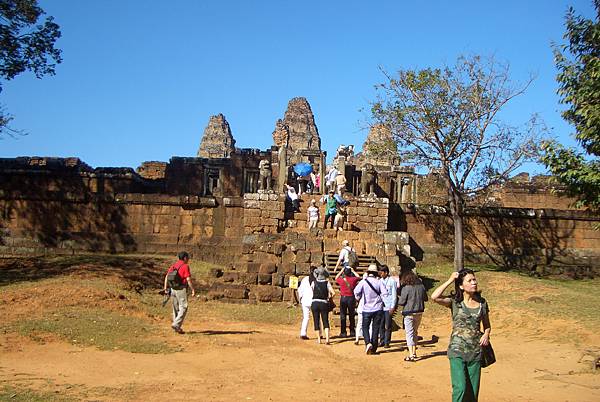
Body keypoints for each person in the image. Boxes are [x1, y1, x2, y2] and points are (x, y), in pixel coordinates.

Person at [431, 269, 492, 402]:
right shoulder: (455, 302)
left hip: (475, 351)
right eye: (469, 281)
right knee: (460, 388)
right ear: (461, 286)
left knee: (472, 394)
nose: (474, 283)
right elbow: (434, 297)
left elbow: (487, 325)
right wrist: (450, 279)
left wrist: (486, 334)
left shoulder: (482, 303)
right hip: (457, 351)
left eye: (474, 279)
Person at [353, 264, 388, 354]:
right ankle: (374, 348)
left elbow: (356, 291)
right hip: (378, 308)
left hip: (367, 308)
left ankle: (368, 343)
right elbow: (385, 294)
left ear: (368, 273)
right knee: (375, 328)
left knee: (365, 327)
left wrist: (358, 298)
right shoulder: (379, 282)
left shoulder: (364, 282)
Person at [398, 270, 428, 361]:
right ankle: (414, 352)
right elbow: (426, 298)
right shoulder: (421, 287)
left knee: (409, 333)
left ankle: (411, 354)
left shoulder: (406, 288)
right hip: (419, 311)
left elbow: (402, 302)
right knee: (415, 331)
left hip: (409, 312)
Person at [163, 251, 196, 334]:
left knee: (175, 308)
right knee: (184, 307)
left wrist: (165, 288)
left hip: (173, 289)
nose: (188, 259)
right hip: (181, 289)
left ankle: (176, 326)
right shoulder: (185, 266)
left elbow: (167, 276)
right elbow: (188, 279)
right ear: (185, 258)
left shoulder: (174, 265)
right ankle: (176, 324)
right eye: (188, 257)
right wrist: (193, 289)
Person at [311, 266, 335, 344]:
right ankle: (327, 339)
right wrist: (329, 298)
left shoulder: (313, 282)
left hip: (315, 303)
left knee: (316, 321)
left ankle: (319, 339)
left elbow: (312, 291)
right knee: (325, 321)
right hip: (324, 303)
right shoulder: (327, 282)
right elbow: (333, 293)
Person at [335, 266, 360, 338]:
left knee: (343, 315)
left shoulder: (342, 280)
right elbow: (359, 277)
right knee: (351, 315)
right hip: (351, 298)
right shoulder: (353, 279)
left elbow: (336, 277)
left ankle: (343, 332)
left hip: (343, 298)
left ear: (344, 273)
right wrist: (353, 271)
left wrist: (341, 271)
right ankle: (352, 331)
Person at [377, 266, 397, 349]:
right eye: (380, 272)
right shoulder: (379, 281)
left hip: (388, 306)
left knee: (388, 325)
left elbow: (394, 295)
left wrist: (393, 307)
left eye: (382, 272)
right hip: (381, 306)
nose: (380, 274)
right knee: (380, 324)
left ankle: (387, 342)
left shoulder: (392, 281)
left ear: (386, 272)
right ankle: (381, 340)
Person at [297, 266, 317, 340]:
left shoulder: (305, 279)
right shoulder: (316, 280)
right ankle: (320, 333)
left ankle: (303, 333)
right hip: (314, 301)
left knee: (306, 318)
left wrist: (300, 298)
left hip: (305, 301)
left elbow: (300, 290)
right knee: (317, 317)